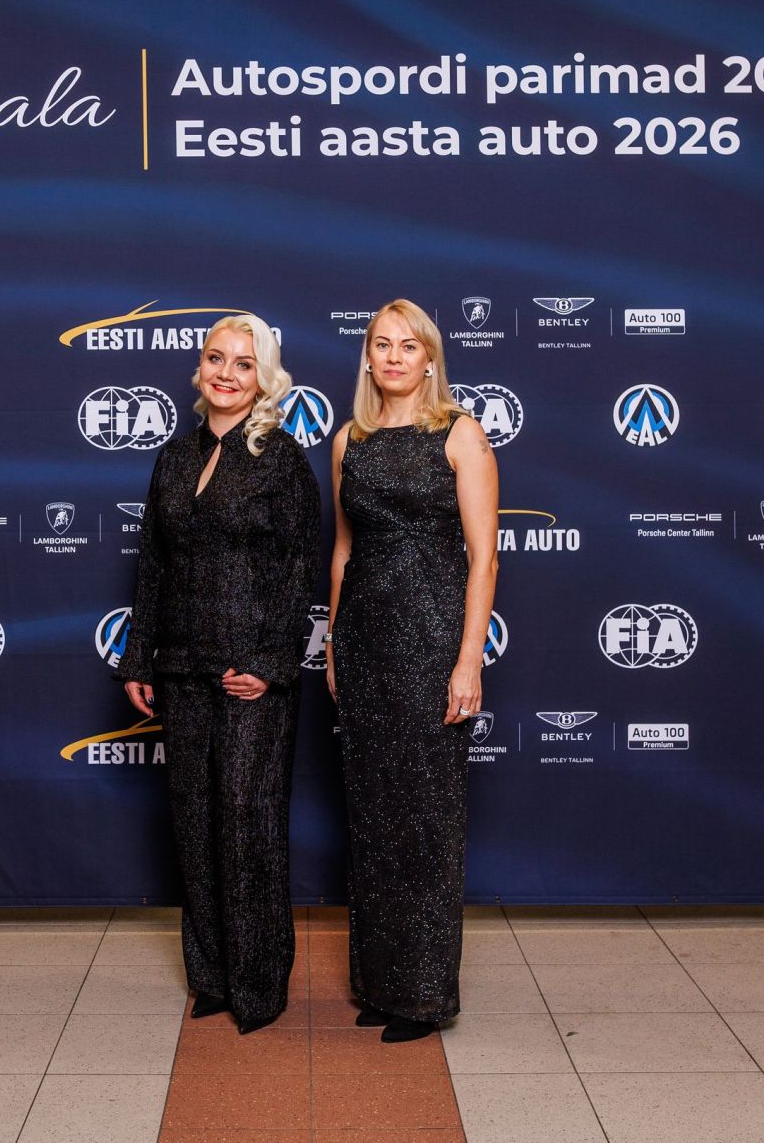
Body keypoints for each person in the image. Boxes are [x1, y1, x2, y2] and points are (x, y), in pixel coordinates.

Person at [115, 313, 320, 1034]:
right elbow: (153, 563)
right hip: (181, 667)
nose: (226, 373)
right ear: (199, 368)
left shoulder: (282, 460)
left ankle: (259, 987)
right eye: (215, 358)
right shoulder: (173, 456)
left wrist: (270, 664)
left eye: (243, 362)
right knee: (195, 824)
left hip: (249, 675)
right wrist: (139, 655)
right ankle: (211, 977)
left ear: (264, 378)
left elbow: (299, 571)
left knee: (246, 826)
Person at [326, 298, 499, 1044]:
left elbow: (484, 559)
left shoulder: (460, 433)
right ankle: (382, 982)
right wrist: (335, 646)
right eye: (381, 344)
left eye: (408, 346)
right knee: (372, 820)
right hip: (364, 644)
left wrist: (468, 661)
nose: (394, 357)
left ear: (430, 360)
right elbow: (342, 551)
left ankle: (424, 996)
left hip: (431, 645)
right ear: (367, 357)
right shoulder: (349, 440)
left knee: (426, 820)